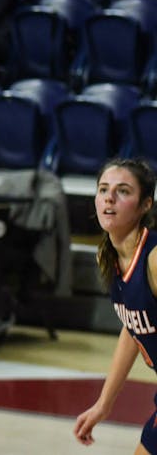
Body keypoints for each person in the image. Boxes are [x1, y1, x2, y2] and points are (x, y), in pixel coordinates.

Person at [74, 158, 157, 452]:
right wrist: (103, 404)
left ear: (145, 205)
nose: (109, 197)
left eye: (123, 191)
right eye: (103, 189)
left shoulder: (154, 259)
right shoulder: (108, 257)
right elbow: (132, 327)